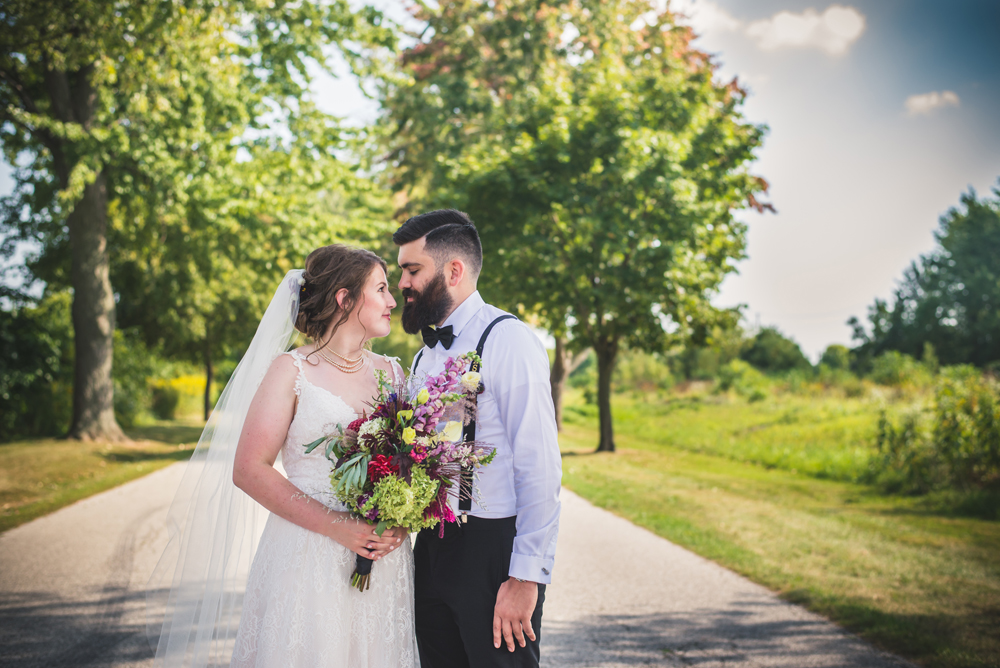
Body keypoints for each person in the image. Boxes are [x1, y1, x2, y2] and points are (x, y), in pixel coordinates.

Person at [148, 244, 419, 668]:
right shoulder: (291, 371)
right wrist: (340, 527)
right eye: (381, 289)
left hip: (383, 565)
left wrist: (399, 525)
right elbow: (249, 470)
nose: (391, 300)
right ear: (344, 298)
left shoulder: (394, 373)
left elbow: (411, 469)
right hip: (307, 556)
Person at [393, 210, 562, 668]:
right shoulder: (423, 356)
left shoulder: (509, 340)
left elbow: (540, 464)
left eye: (412, 270)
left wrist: (526, 577)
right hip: (430, 548)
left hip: (491, 552)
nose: (402, 284)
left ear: (453, 270)